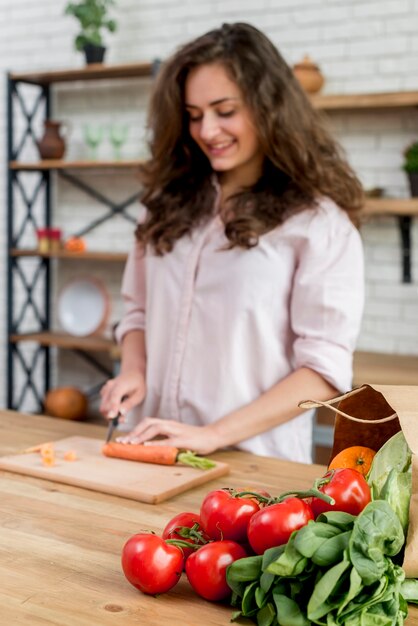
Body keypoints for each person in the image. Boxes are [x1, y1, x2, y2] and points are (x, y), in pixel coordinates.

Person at [99, 22, 364, 463]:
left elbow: (324, 370)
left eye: (225, 110)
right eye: (194, 114)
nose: (206, 130)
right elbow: (139, 312)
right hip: (153, 450)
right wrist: (134, 369)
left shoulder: (318, 225)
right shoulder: (164, 206)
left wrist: (212, 434)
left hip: (254, 466)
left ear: (269, 108)